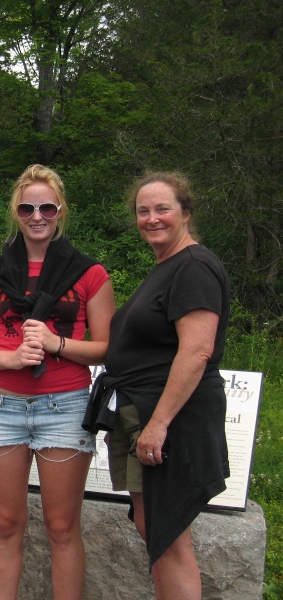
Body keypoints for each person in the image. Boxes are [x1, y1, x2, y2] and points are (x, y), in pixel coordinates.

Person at [0, 164, 115, 599]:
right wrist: (11, 358)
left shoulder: (90, 273)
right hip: (1, 408)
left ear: (61, 211)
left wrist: (55, 342)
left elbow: (107, 347)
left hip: (63, 407)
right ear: (16, 212)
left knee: (62, 526)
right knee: (6, 524)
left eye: (47, 207)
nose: (37, 216)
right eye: (27, 208)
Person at [102, 172, 230, 599]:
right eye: (143, 211)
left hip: (171, 417)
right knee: (153, 528)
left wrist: (158, 425)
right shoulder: (167, 266)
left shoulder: (193, 266)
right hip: (139, 410)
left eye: (162, 209)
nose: (151, 218)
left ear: (186, 213)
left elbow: (197, 352)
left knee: (169, 534)